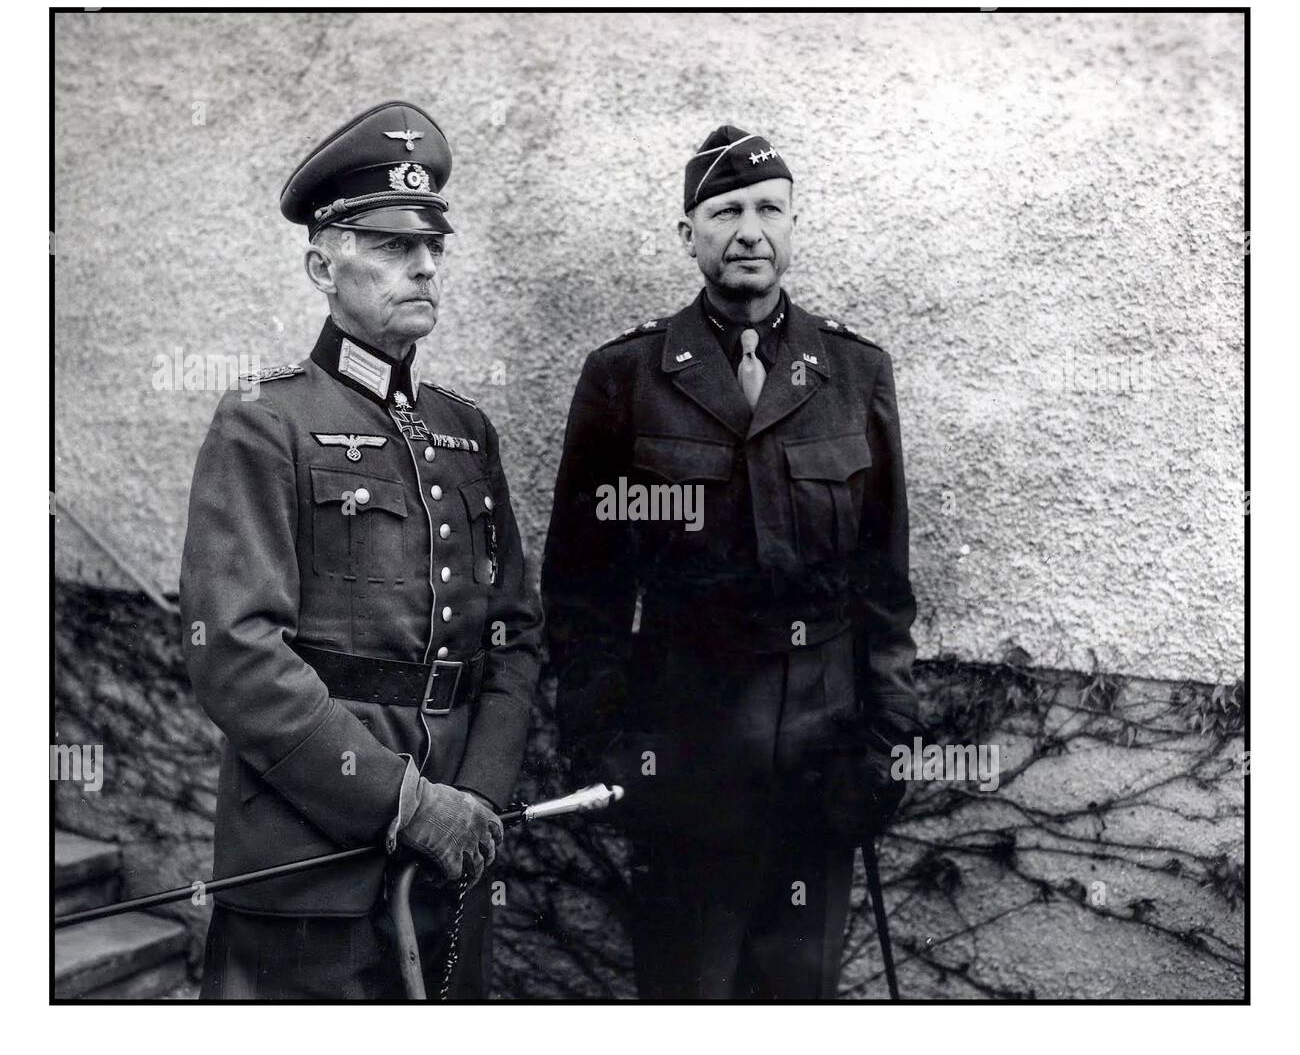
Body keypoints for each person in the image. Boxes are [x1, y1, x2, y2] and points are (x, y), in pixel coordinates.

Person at [542, 125, 917, 999]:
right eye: (725, 211)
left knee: (799, 996)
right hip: (683, 757)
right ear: (688, 235)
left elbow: (886, 582)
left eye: (768, 209)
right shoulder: (624, 379)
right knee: (686, 994)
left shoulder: (855, 374)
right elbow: (584, 587)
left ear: (794, 226)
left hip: (822, 758)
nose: (749, 229)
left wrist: (885, 744)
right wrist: (603, 745)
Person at [181, 101, 542, 999]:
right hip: (308, 870)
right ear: (322, 265)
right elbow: (235, 653)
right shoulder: (265, 422)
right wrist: (404, 802)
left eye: (431, 247)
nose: (423, 265)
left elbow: (513, 639)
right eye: (388, 245)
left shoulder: (466, 432)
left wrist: (476, 804)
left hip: (451, 865)